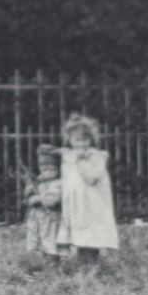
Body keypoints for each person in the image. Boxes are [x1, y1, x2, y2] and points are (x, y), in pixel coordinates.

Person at [55, 113, 119, 273]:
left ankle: (93, 267)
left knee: (92, 234)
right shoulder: (68, 157)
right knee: (79, 236)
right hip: (76, 203)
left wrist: (82, 160)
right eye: (77, 140)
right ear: (69, 140)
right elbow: (67, 180)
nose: (81, 144)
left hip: (93, 203)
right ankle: (83, 266)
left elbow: (92, 177)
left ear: (91, 139)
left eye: (85, 140)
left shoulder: (97, 156)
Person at [22, 146, 63, 268]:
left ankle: (53, 265)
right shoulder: (39, 182)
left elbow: (52, 201)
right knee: (39, 241)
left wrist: (37, 198)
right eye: (43, 166)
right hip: (37, 218)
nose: (47, 170)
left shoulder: (58, 183)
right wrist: (28, 192)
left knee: (50, 240)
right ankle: (43, 263)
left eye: (51, 166)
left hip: (51, 218)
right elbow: (27, 201)